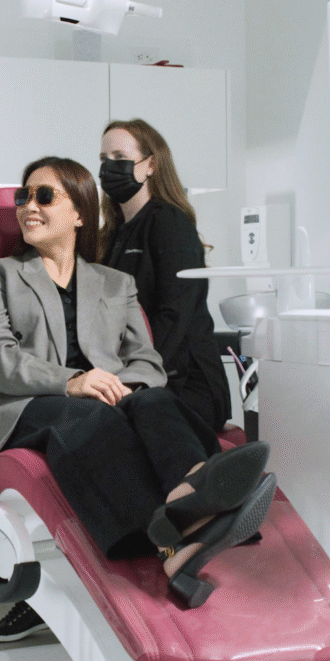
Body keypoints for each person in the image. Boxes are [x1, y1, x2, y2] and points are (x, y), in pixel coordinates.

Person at [0, 157, 273, 641]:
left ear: (80, 212)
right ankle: (172, 542)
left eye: (44, 196)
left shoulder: (116, 284)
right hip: (16, 406)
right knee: (85, 416)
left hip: (101, 399)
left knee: (156, 402)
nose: (28, 206)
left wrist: (122, 390)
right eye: (23, 196)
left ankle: (191, 505)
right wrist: (73, 381)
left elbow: (146, 362)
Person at [99, 119, 231, 433]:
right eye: (104, 159)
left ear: (151, 165)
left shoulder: (169, 222)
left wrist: (134, 378)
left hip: (187, 383)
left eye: (120, 157)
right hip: (141, 375)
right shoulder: (113, 235)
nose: (109, 167)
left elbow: (174, 314)